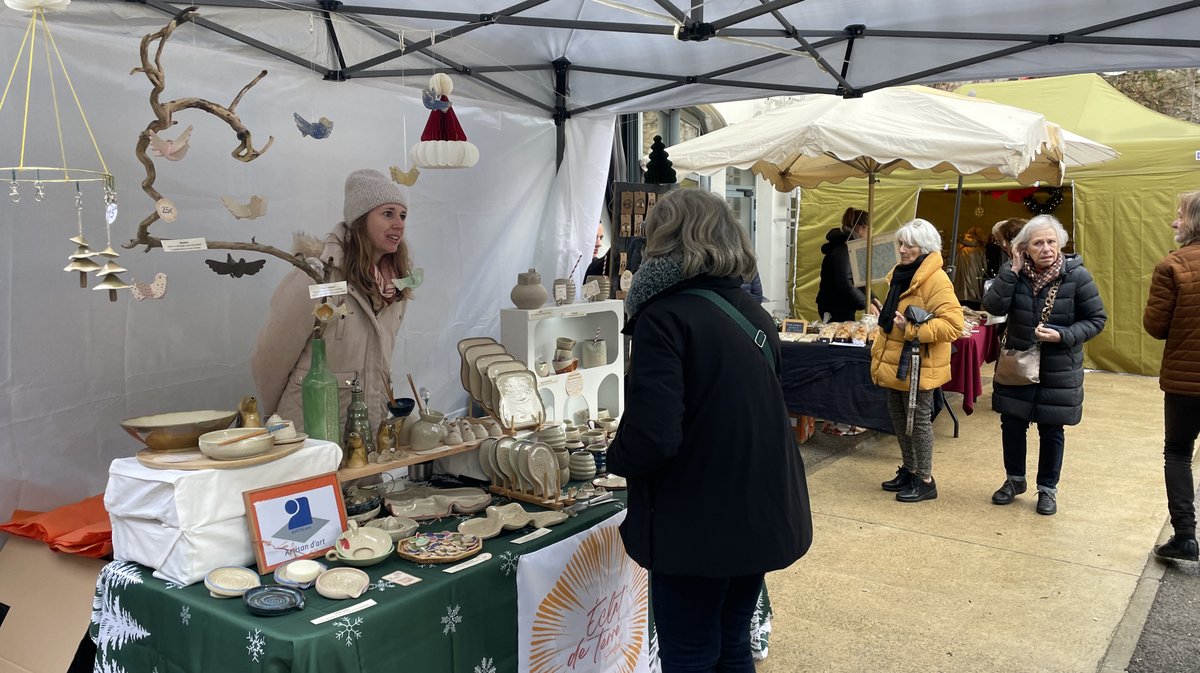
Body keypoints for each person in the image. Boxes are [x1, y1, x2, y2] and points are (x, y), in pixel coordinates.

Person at [607, 188, 812, 672]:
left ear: (665, 239)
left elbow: (654, 435)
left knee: (691, 651)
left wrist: (612, 460)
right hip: (759, 509)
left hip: (696, 522)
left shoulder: (663, 317)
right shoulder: (752, 312)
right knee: (731, 642)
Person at [251, 168, 415, 432]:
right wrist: (277, 417)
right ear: (360, 219)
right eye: (388, 214)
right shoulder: (316, 276)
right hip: (311, 434)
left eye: (403, 215)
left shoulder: (394, 289)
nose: (399, 223)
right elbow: (269, 357)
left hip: (364, 432)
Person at [982, 214, 1106, 515]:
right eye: (1038, 243)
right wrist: (1011, 271)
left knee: (1052, 430)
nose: (1046, 248)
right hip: (1019, 364)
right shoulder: (1013, 273)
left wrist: (1063, 335)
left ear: (1061, 244)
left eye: (1052, 241)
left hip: (1059, 368)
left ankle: (1047, 489)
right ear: (1023, 248)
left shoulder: (1077, 276)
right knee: (1012, 423)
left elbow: (1096, 320)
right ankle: (1014, 480)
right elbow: (994, 308)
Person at [868, 219, 964, 503]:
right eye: (901, 243)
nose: (902, 249)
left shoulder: (935, 279)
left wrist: (910, 329)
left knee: (918, 422)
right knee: (899, 418)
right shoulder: (901, 274)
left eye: (909, 244)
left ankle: (925, 479)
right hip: (899, 360)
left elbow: (953, 325)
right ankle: (910, 469)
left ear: (925, 247)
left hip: (920, 363)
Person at [1142, 191, 1200, 562]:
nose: (1173, 222)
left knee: (1178, 452)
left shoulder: (1173, 265)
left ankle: (1185, 536)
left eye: (1179, 215)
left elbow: (1155, 326)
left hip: (1186, 382)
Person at [816, 207, 869, 321]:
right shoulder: (845, 249)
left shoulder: (847, 246)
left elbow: (858, 281)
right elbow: (845, 282)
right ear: (860, 229)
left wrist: (872, 299)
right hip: (835, 306)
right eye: (870, 230)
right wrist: (866, 303)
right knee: (839, 336)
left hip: (840, 304)